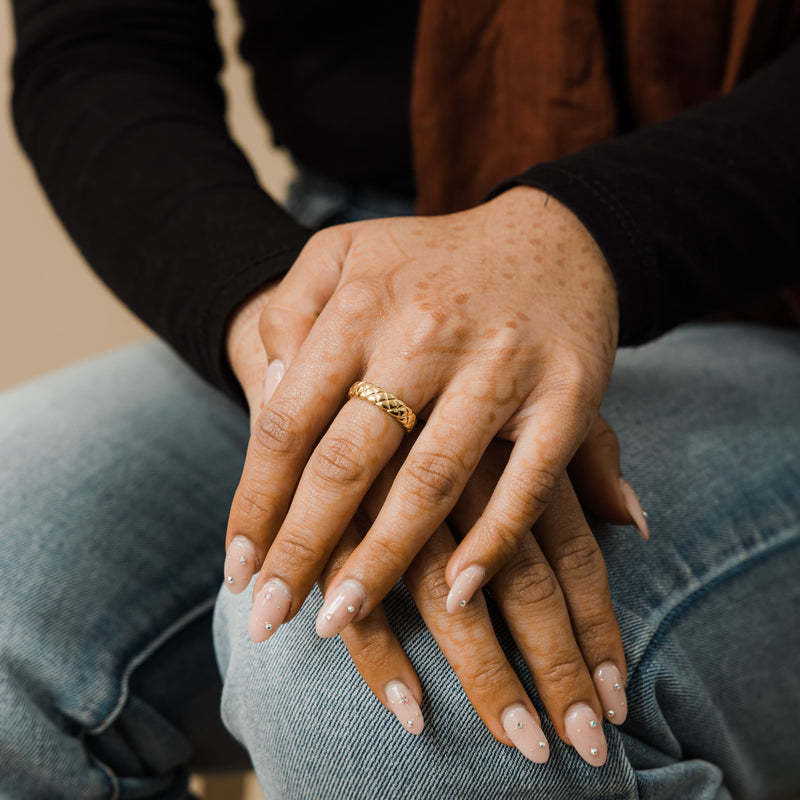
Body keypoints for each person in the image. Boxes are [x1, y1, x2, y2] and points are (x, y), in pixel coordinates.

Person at [2, 1, 799, 798]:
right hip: (329, 256)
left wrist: (588, 233)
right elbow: (97, 45)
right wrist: (304, 345)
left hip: (745, 274)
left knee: (382, 685)